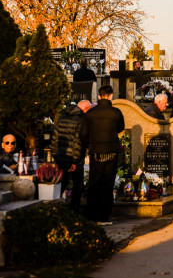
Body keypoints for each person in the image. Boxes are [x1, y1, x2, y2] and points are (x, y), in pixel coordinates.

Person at [79, 85, 125, 225]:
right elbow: (120, 128)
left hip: (96, 152)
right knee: (107, 183)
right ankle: (104, 216)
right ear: (111, 96)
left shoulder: (90, 114)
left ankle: (92, 215)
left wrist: (91, 145)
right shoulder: (116, 112)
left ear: (99, 96)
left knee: (94, 182)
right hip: (111, 151)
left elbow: (83, 134)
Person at [53, 99, 91, 215]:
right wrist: (75, 161)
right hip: (74, 159)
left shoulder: (62, 118)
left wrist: (56, 158)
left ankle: (56, 208)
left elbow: (55, 139)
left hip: (61, 157)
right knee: (77, 185)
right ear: (85, 109)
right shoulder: (80, 119)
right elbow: (77, 142)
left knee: (61, 184)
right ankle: (74, 211)